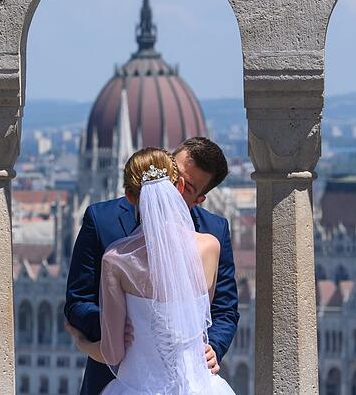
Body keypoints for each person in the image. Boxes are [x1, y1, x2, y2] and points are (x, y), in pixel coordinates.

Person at [65, 138, 239, 394]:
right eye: (173, 173)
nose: (171, 188)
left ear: (200, 198)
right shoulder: (101, 219)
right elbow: (78, 300)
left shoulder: (215, 230)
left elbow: (223, 309)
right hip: (118, 376)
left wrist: (214, 346)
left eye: (184, 186)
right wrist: (112, 325)